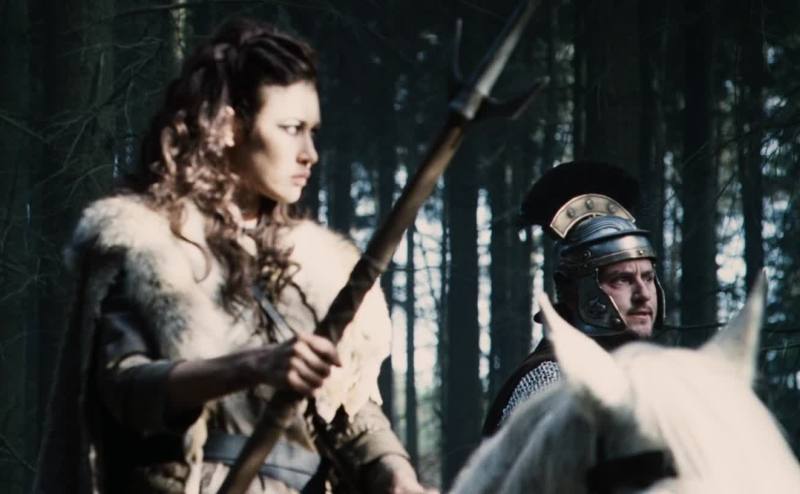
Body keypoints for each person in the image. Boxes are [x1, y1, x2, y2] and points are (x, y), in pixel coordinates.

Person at [34, 18, 430, 494]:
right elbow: (125, 387)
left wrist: (395, 472)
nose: (310, 153)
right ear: (227, 127)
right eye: (291, 129)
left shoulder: (318, 269)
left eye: (313, 132)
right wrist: (250, 366)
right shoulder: (147, 242)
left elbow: (348, 406)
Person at [482, 161, 665, 436]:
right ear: (574, 290)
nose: (643, 294)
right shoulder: (551, 382)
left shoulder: (645, 375)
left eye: (648, 277)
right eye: (622, 279)